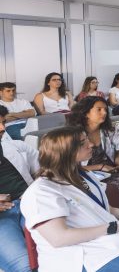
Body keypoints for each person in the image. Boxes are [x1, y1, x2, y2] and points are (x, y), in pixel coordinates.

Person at [21, 126, 119, 272]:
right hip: (82, 254)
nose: (91, 144)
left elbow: (105, 208)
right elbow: (59, 238)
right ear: (68, 151)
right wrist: (114, 227)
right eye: (83, 142)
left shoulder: (83, 175)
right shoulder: (40, 192)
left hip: (111, 235)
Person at [67, 97, 119, 208]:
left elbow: (118, 153)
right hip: (83, 173)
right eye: (99, 109)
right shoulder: (74, 134)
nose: (104, 113)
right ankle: (117, 213)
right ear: (86, 113)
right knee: (113, 188)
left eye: (105, 109)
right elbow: (71, 167)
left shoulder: (110, 130)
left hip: (110, 169)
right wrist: (99, 166)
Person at [0, 105, 39, 272]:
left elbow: (45, 170)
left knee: (57, 252)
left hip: (29, 204)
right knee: (25, 267)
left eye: (2, 122)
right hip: (3, 218)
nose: (2, 128)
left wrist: (37, 189)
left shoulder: (15, 146)